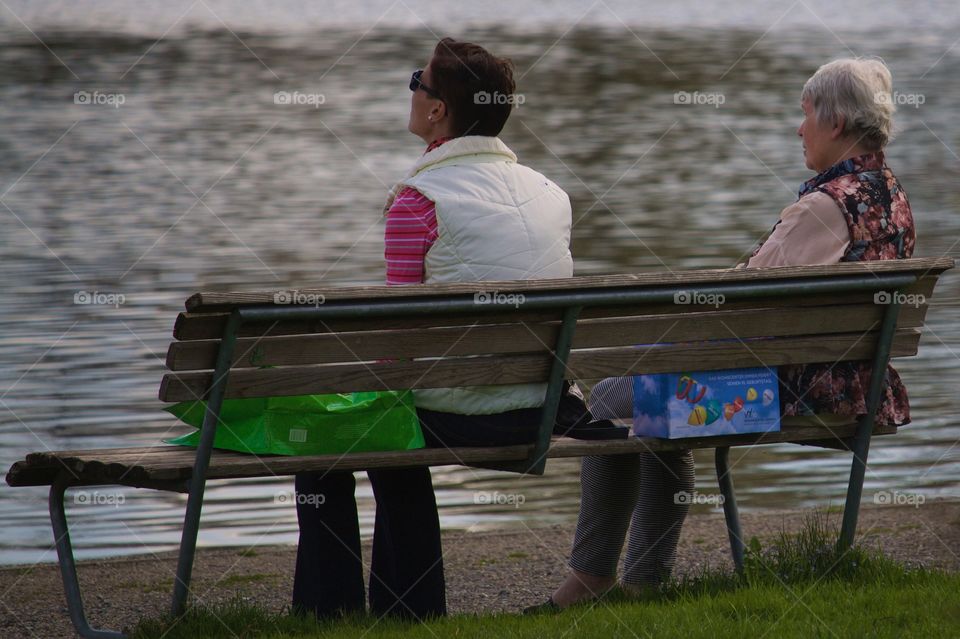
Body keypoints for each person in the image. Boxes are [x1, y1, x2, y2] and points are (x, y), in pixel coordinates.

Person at [538, 57, 915, 610]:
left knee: (609, 401)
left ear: (836, 123)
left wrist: (669, 337)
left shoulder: (825, 206)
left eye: (805, 113)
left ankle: (593, 581)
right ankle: (643, 583)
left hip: (794, 391)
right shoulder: (892, 196)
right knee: (651, 401)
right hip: (860, 383)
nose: (798, 127)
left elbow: (742, 307)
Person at [293, 38, 574, 621]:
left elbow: (401, 340)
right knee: (389, 420)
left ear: (439, 108)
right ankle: (407, 610)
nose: (412, 91)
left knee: (330, 435)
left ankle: (334, 615)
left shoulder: (419, 201)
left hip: (456, 410)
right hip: (538, 405)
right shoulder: (554, 195)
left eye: (415, 81)